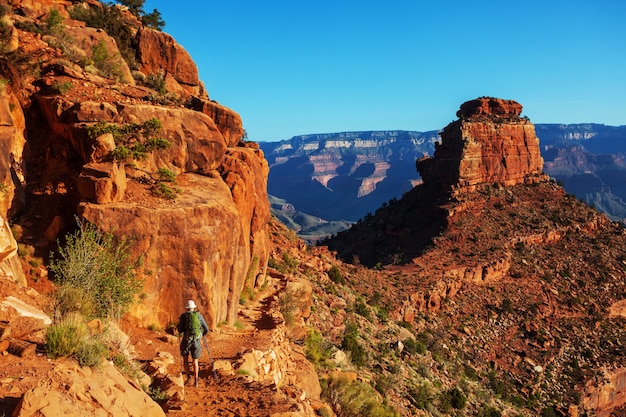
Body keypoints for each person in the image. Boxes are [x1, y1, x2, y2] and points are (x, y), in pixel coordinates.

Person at [177, 299, 209, 387]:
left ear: (187, 308)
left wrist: (179, 325)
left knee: (185, 359)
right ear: (194, 307)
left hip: (186, 341)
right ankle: (196, 381)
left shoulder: (184, 316)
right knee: (195, 361)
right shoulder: (199, 316)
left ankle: (188, 378)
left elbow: (180, 330)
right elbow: (206, 329)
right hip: (197, 341)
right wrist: (201, 335)